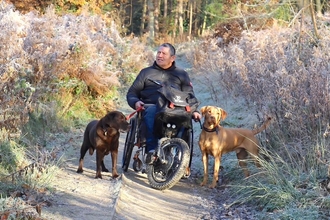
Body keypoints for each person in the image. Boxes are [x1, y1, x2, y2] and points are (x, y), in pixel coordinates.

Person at [126, 43, 201, 163]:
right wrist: (136, 102)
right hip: (151, 106)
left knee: (185, 120)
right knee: (151, 112)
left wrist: (194, 110)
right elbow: (132, 92)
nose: (159, 55)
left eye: (164, 53)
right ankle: (152, 152)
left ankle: (180, 158)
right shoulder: (146, 73)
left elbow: (190, 96)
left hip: (175, 108)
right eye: (158, 52)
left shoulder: (181, 74)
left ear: (172, 58)